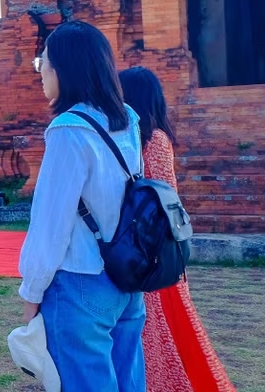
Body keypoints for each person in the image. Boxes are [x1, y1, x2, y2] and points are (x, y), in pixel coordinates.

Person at [19, 21, 146, 391]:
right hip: (126, 276)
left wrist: (31, 293)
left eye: (44, 63)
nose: (41, 72)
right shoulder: (128, 119)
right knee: (128, 382)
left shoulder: (68, 130)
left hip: (80, 281)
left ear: (64, 68)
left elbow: (50, 224)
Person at [119, 67, 236, 392]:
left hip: (149, 245)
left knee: (156, 331)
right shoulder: (158, 138)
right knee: (169, 329)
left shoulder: (145, 141)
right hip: (162, 245)